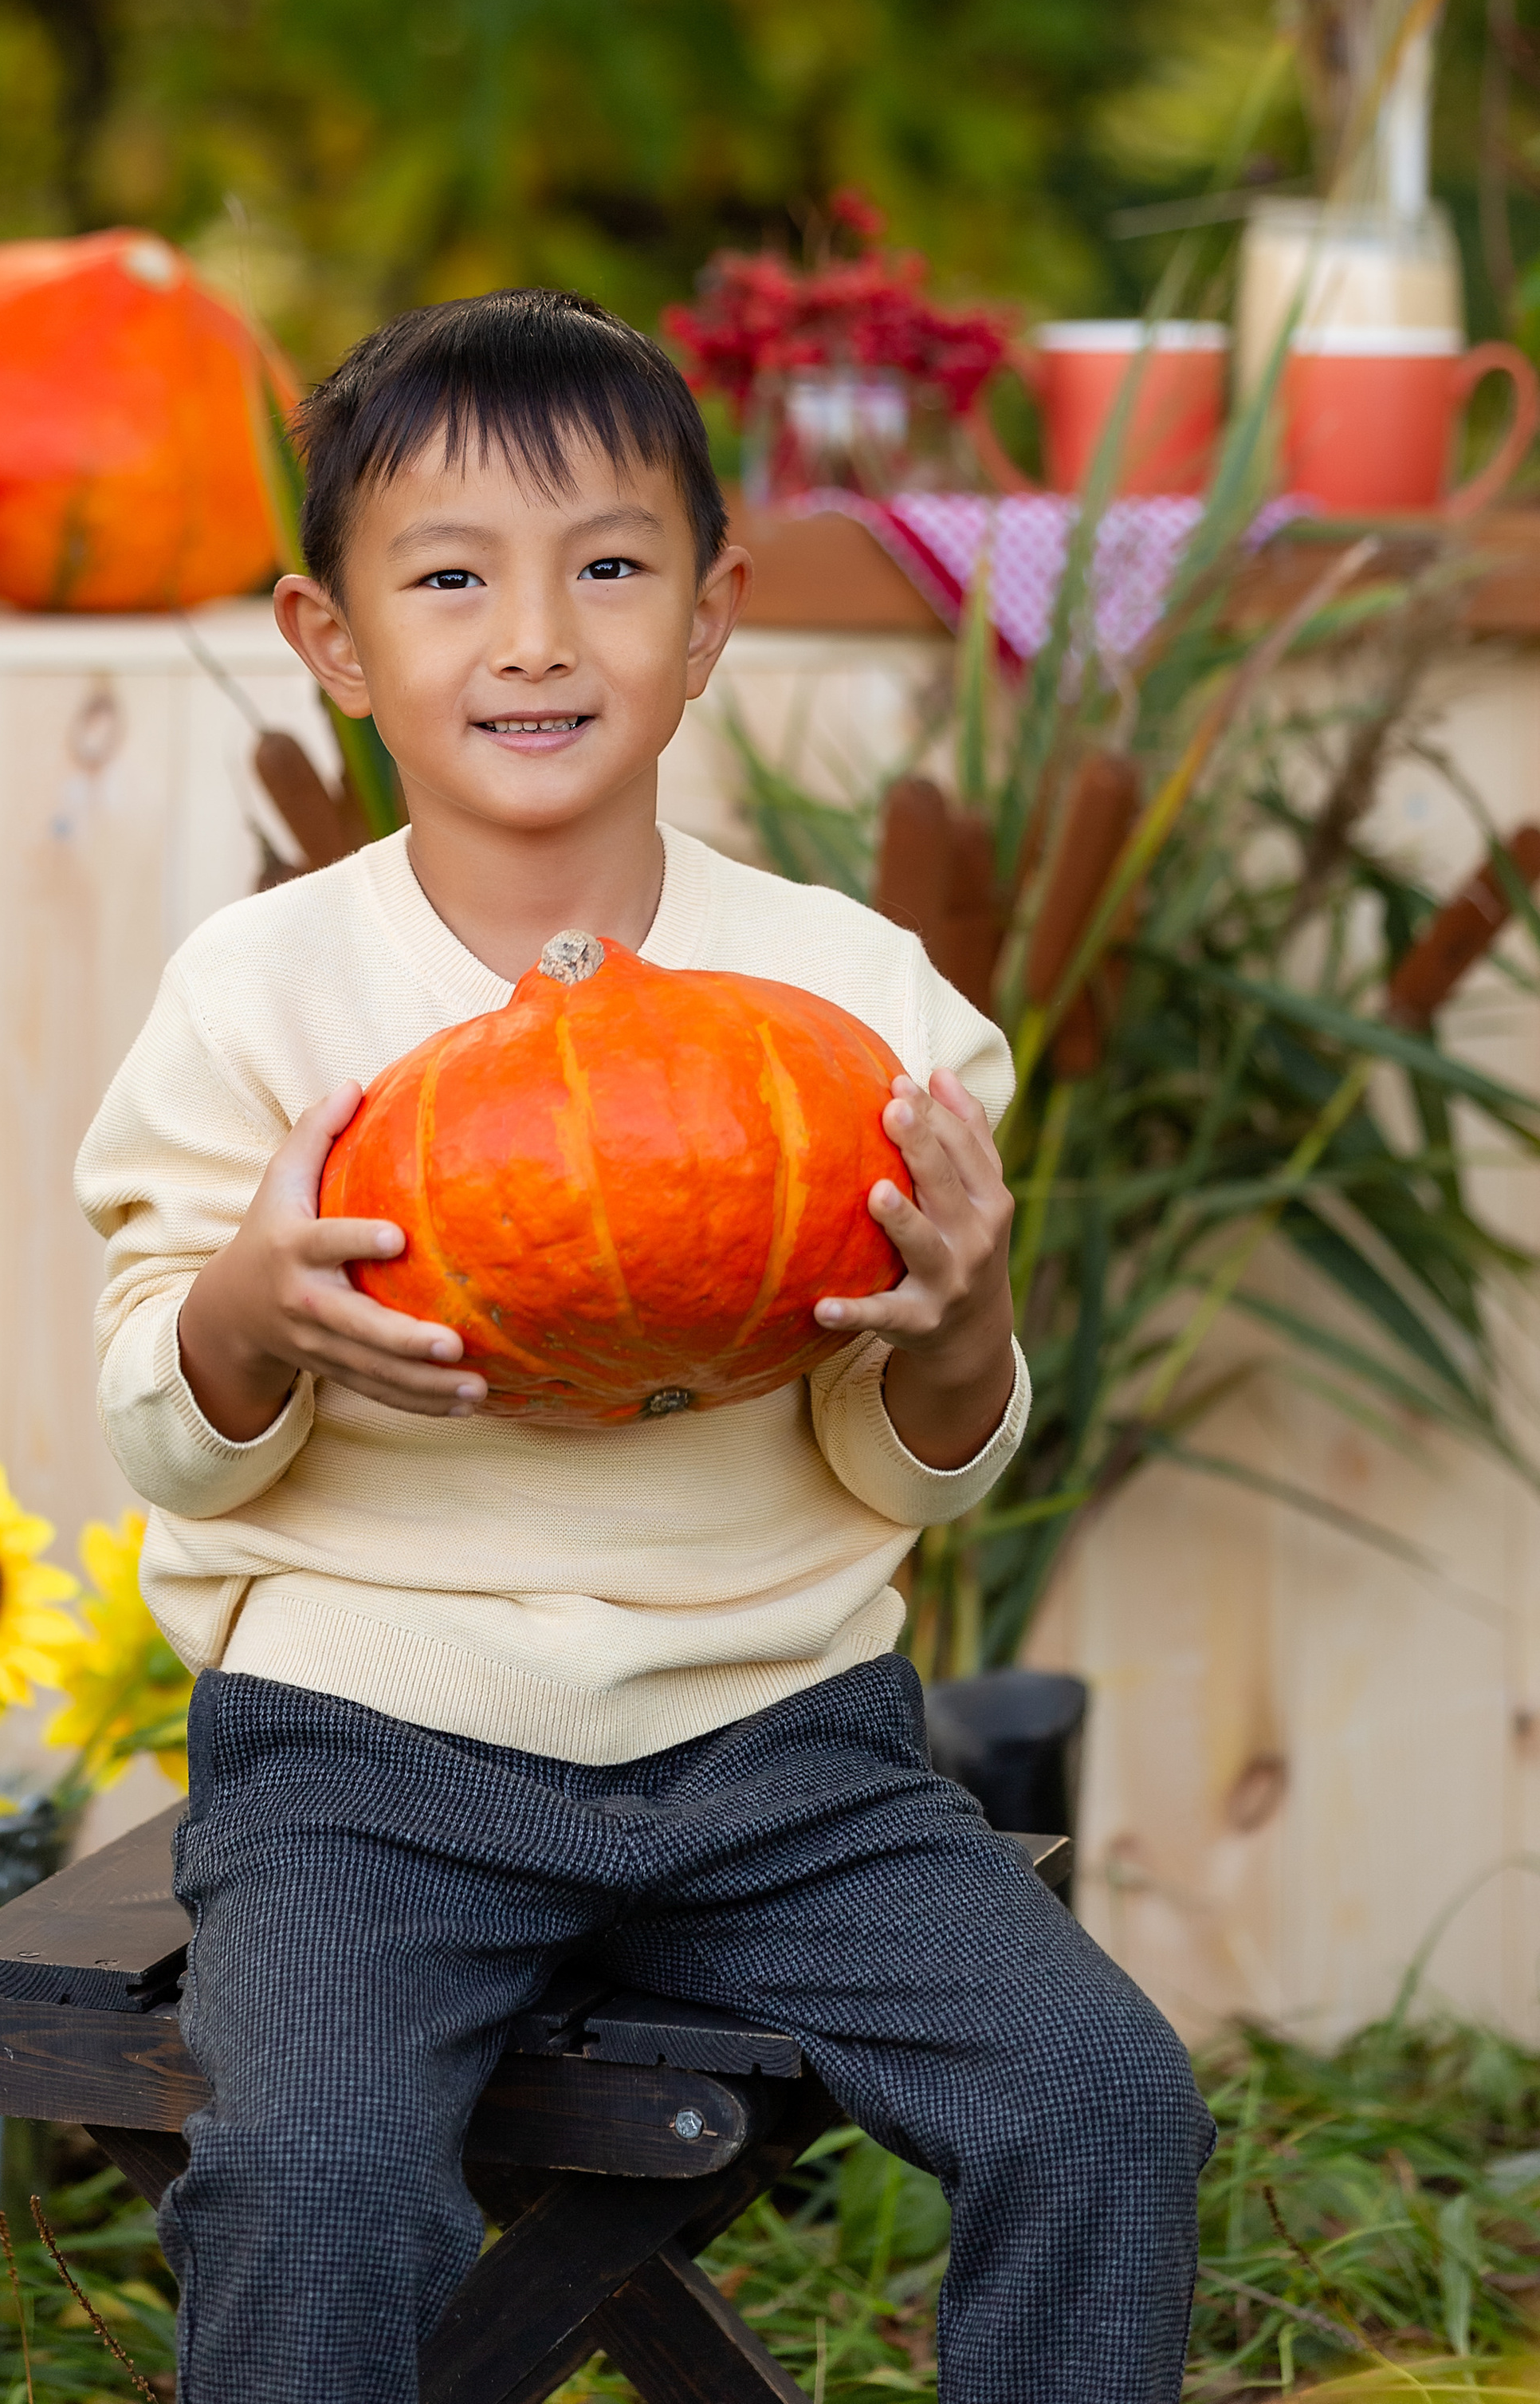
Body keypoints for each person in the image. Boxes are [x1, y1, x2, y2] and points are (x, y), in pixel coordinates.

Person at [77, 286, 1212, 2404]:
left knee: (1104, 2102)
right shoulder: (258, 996)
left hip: (789, 1753)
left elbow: (919, 1452)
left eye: (609, 567)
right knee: (315, 2174)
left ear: (708, 620)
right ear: (334, 643)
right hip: (364, 1762)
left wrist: (958, 1325)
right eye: (449, 579)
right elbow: (169, 1429)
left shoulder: (854, 1005)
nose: (535, 636)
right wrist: (249, 1307)